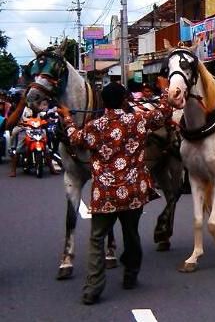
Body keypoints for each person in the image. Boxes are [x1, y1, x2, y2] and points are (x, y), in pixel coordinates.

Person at [58, 78, 172, 305]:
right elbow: (163, 112)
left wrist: (68, 117)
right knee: (132, 235)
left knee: (97, 239)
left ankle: (93, 288)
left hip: (105, 195)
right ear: (124, 100)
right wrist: (165, 88)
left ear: (104, 103)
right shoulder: (138, 120)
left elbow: (74, 139)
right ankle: (130, 275)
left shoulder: (95, 126)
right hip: (133, 192)